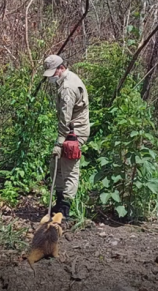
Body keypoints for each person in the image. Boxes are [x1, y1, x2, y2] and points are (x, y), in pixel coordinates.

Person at [42, 54, 90, 220]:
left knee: (69, 169)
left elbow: (65, 118)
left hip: (74, 133)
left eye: (52, 74)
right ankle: (59, 202)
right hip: (68, 130)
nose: (51, 78)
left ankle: (65, 209)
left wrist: (60, 141)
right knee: (56, 166)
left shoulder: (68, 88)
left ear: (60, 68)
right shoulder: (65, 81)